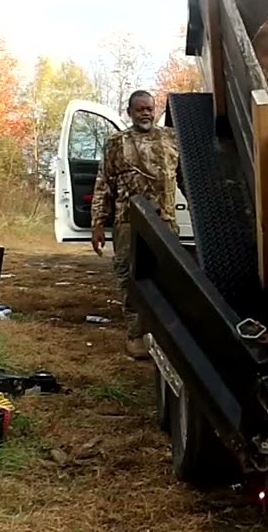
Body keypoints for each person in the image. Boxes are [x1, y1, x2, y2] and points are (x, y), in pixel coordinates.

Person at [90, 90, 180, 360]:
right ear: (129, 111)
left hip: (165, 223)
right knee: (132, 279)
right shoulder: (116, 143)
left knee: (167, 280)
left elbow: (188, 180)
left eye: (149, 108)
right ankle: (135, 336)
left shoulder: (171, 139)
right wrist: (97, 223)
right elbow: (104, 183)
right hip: (128, 224)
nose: (145, 113)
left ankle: (163, 336)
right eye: (139, 108)